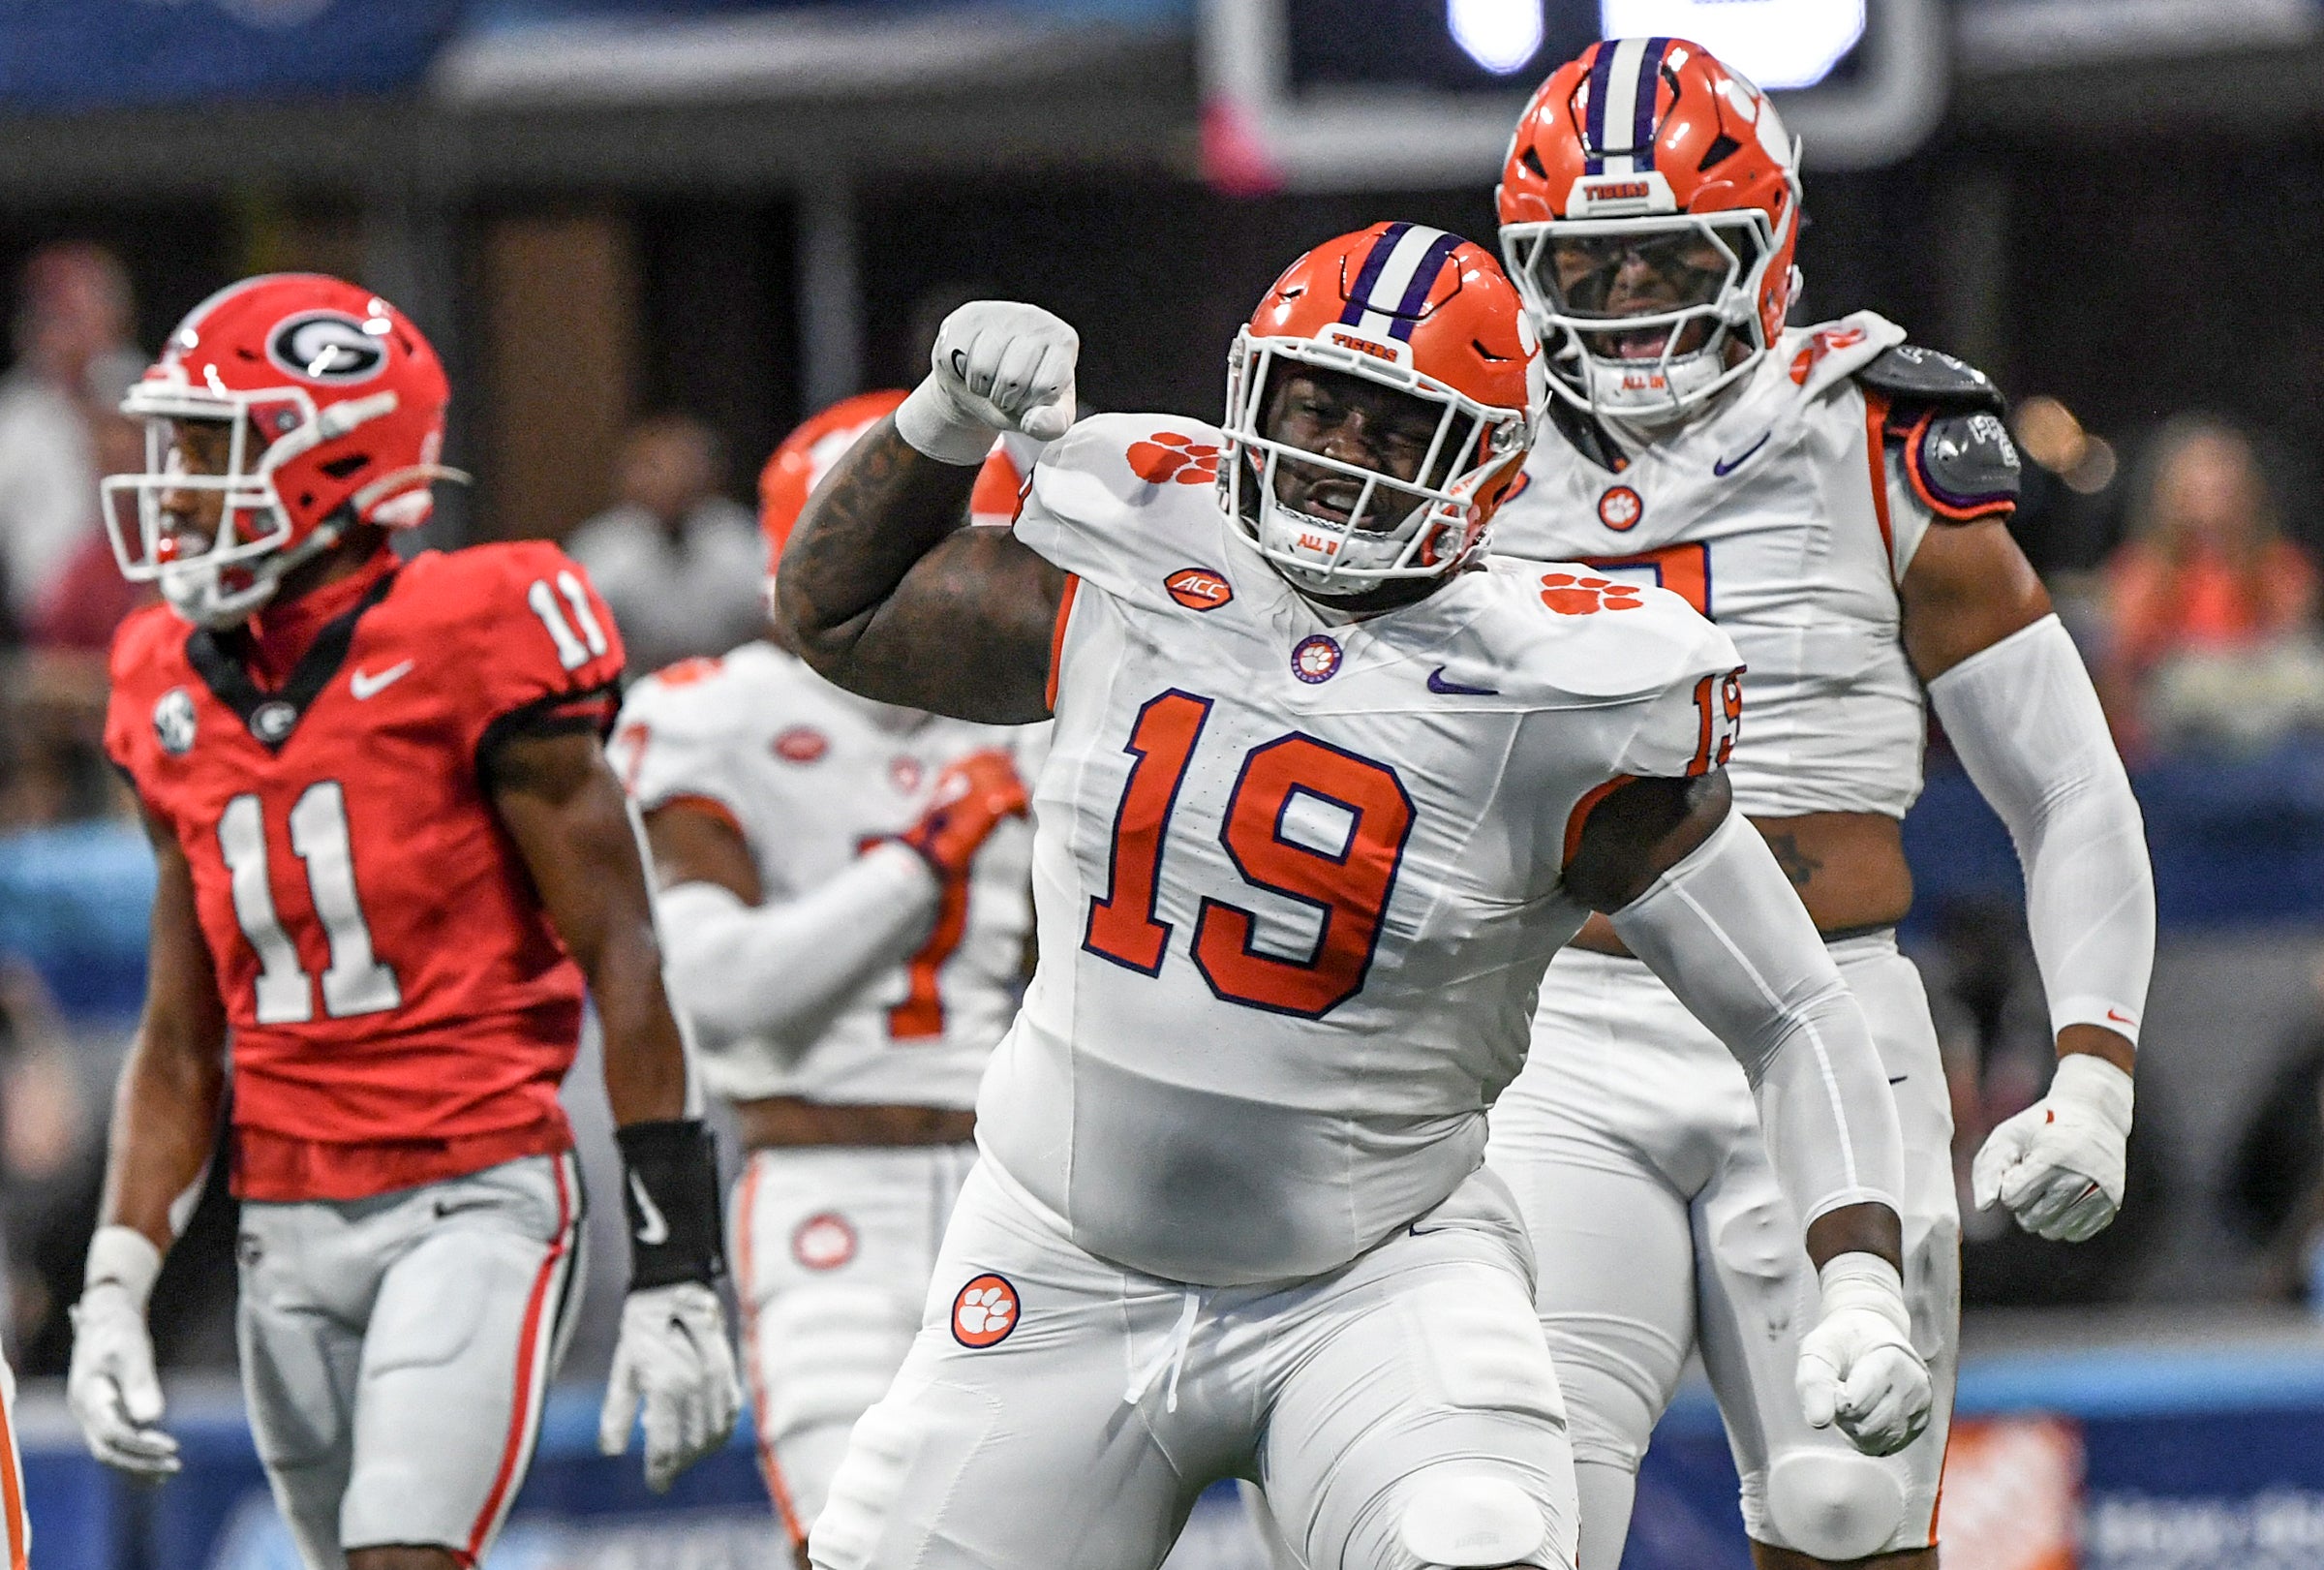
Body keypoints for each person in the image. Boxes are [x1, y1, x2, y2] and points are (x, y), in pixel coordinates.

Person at [774, 225, 1930, 1570]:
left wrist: (1857, 1275)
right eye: (1316, 404)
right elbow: (837, 616)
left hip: (1377, 1277)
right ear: (1251, 390)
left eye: (1391, 429)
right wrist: (942, 421)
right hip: (1057, 1260)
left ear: (1490, 463)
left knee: (1481, 1547)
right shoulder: (1138, 555)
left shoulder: (1563, 697)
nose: (1334, 451)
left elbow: (1794, 1006)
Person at [1481, 40, 2155, 1569]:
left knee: (1849, 1513)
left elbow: (2063, 782)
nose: (1638, 301)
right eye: (1594, 267)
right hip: (1559, 1033)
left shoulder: (1876, 433)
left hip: (1835, 1015)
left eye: (1673, 256)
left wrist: (2097, 1066)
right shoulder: (1468, 442)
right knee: (1519, 1517)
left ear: (1768, 249)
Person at [68, 273, 741, 1570]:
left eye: (213, 445)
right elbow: (176, 1034)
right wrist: (114, 1282)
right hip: (282, 1217)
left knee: (403, 1557)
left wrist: (676, 1265)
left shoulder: (472, 627)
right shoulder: (161, 674)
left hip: (471, 1191)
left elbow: (627, 957)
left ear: (332, 458)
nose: (178, 483)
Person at [611, 393, 1038, 1565]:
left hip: (1026, 1189)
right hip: (822, 1177)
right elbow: (726, 992)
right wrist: (923, 860)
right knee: (856, 1541)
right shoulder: (718, 715)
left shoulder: (1038, 722)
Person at [2099, 413, 2322, 751]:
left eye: (2221, 473)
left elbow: (2290, 668)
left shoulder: (2283, 569)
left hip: (2266, 731)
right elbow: (2123, 680)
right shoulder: (2140, 573)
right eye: (2197, 473)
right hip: (2180, 742)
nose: (2210, 485)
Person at [0, 242, 145, 626]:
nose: (73, 330)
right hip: (53, 620)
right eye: (60, 316)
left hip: (148, 580)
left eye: (84, 312)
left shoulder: (144, 384)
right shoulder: (15, 416)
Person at [565, 413, 769, 673]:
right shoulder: (603, 545)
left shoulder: (738, 536)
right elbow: (577, 638)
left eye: (682, 465)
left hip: (728, 682)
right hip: (633, 686)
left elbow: (777, 625)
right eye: (654, 467)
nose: (670, 479)